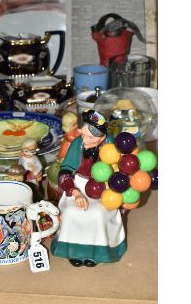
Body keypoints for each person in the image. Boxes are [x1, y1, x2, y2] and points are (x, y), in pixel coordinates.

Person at [50, 109, 126, 267]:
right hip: (78, 184)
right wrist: (74, 192)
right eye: (83, 134)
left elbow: (119, 173)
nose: (85, 140)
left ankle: (97, 253)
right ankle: (72, 251)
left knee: (98, 214)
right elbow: (65, 171)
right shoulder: (77, 144)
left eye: (90, 137)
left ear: (102, 137)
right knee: (71, 213)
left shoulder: (111, 145)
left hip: (104, 188)